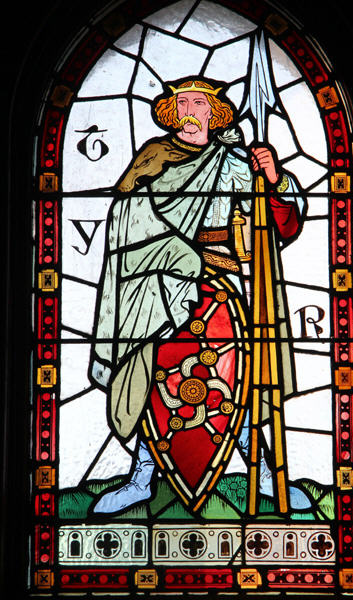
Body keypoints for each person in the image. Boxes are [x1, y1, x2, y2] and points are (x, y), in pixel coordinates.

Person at [88, 79, 310, 514]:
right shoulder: (154, 158)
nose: (190, 110)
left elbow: (281, 228)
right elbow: (127, 219)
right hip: (158, 290)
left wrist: (274, 178)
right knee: (154, 379)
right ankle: (141, 478)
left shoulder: (235, 164)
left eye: (199, 103)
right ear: (173, 111)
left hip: (219, 290)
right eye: (182, 102)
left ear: (214, 113)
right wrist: (178, 252)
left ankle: (262, 471)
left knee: (239, 380)